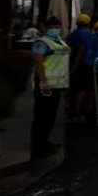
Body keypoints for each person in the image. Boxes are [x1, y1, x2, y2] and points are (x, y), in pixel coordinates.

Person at [29, 16, 69, 158]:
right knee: (42, 116)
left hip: (57, 85)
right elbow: (39, 63)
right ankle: (38, 146)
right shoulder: (41, 43)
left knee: (50, 116)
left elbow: (60, 54)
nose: (56, 29)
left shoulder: (58, 41)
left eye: (57, 26)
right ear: (46, 28)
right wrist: (44, 82)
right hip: (45, 85)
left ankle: (45, 142)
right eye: (53, 27)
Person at [65, 13, 95, 119]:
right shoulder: (85, 34)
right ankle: (77, 112)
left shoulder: (73, 34)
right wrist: (77, 62)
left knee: (75, 88)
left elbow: (67, 47)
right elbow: (82, 49)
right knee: (83, 89)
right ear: (88, 24)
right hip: (84, 64)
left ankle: (73, 110)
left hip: (74, 64)